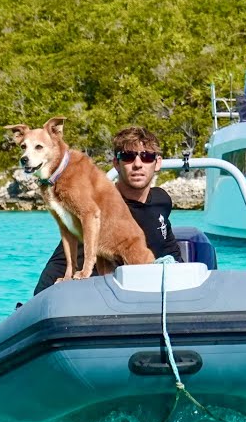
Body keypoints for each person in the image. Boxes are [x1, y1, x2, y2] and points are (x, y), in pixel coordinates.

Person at [31, 125, 180, 296]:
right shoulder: (97, 209)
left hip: (151, 295)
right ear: (116, 163)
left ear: (157, 163)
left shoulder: (162, 200)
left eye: (146, 157)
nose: (138, 164)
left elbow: (169, 250)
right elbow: (59, 266)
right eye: (128, 157)